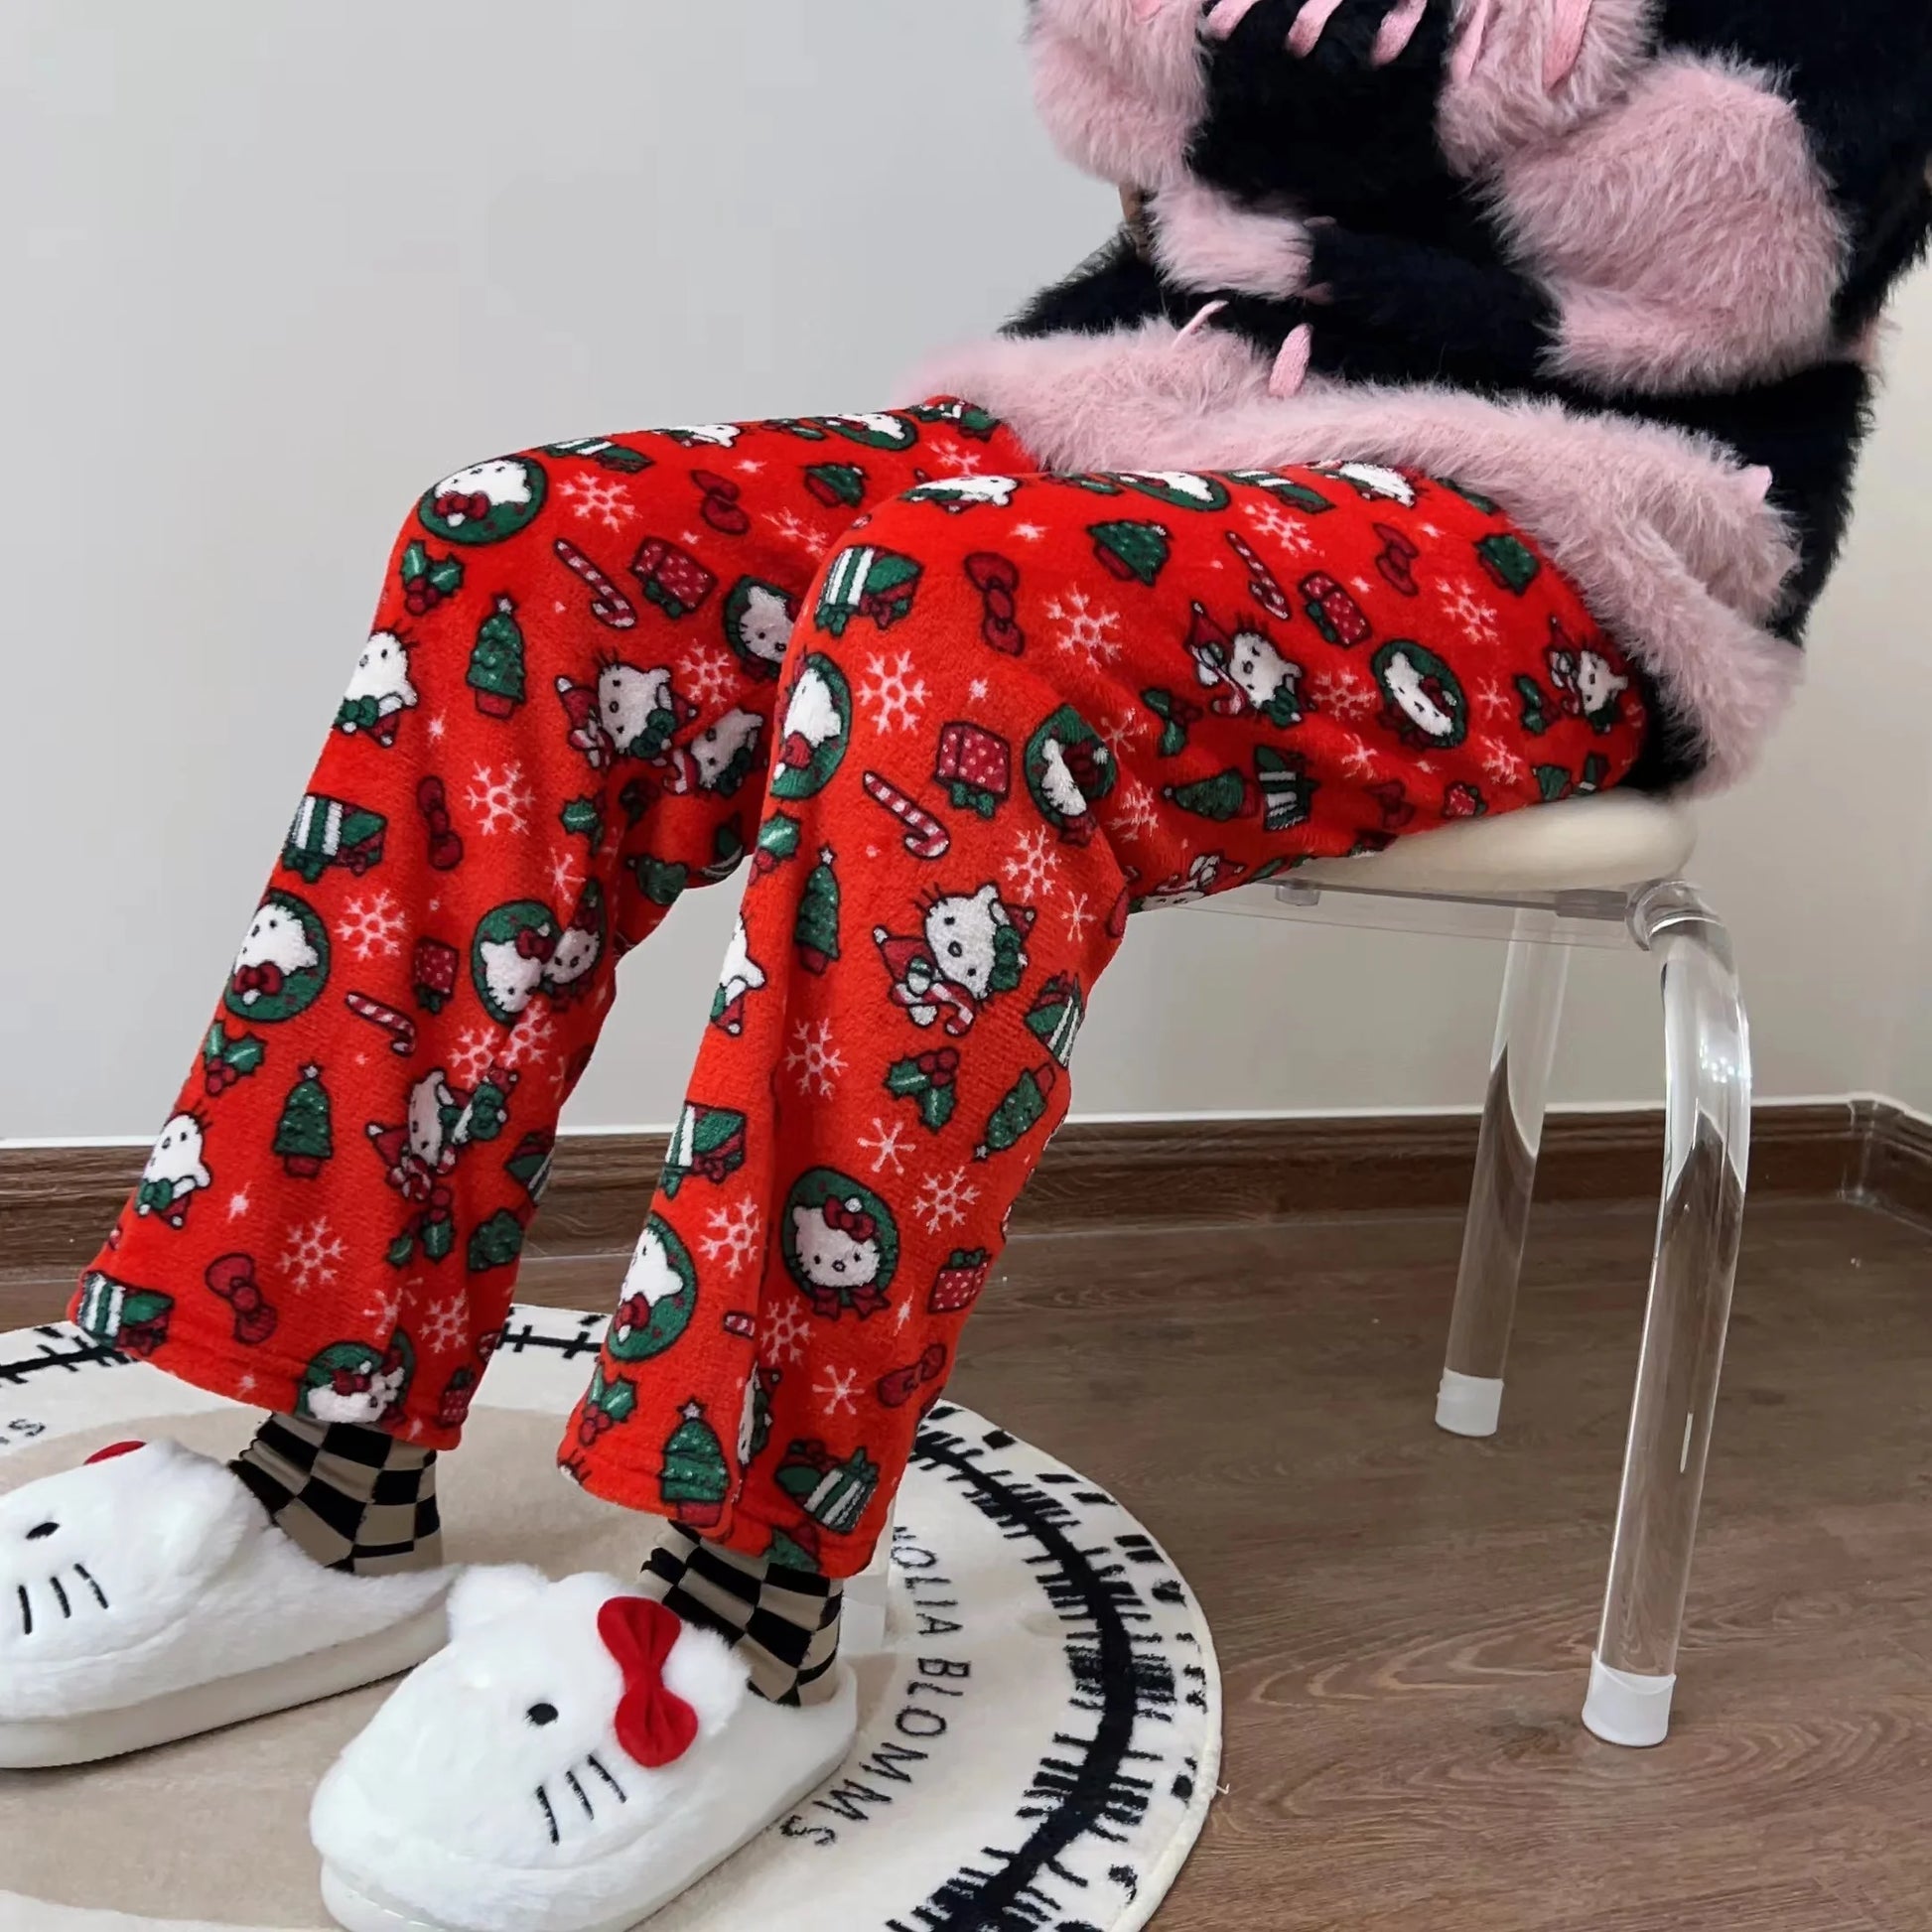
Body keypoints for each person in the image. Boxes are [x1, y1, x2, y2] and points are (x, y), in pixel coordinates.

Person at [4, 4, 1927, 1927]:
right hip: (1151, 405)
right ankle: (326, 1475)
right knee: (532, 550)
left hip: (1573, 509)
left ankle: (757, 1593)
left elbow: (1746, 242)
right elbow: (1130, 88)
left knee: (959, 617)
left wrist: (1371, 72)